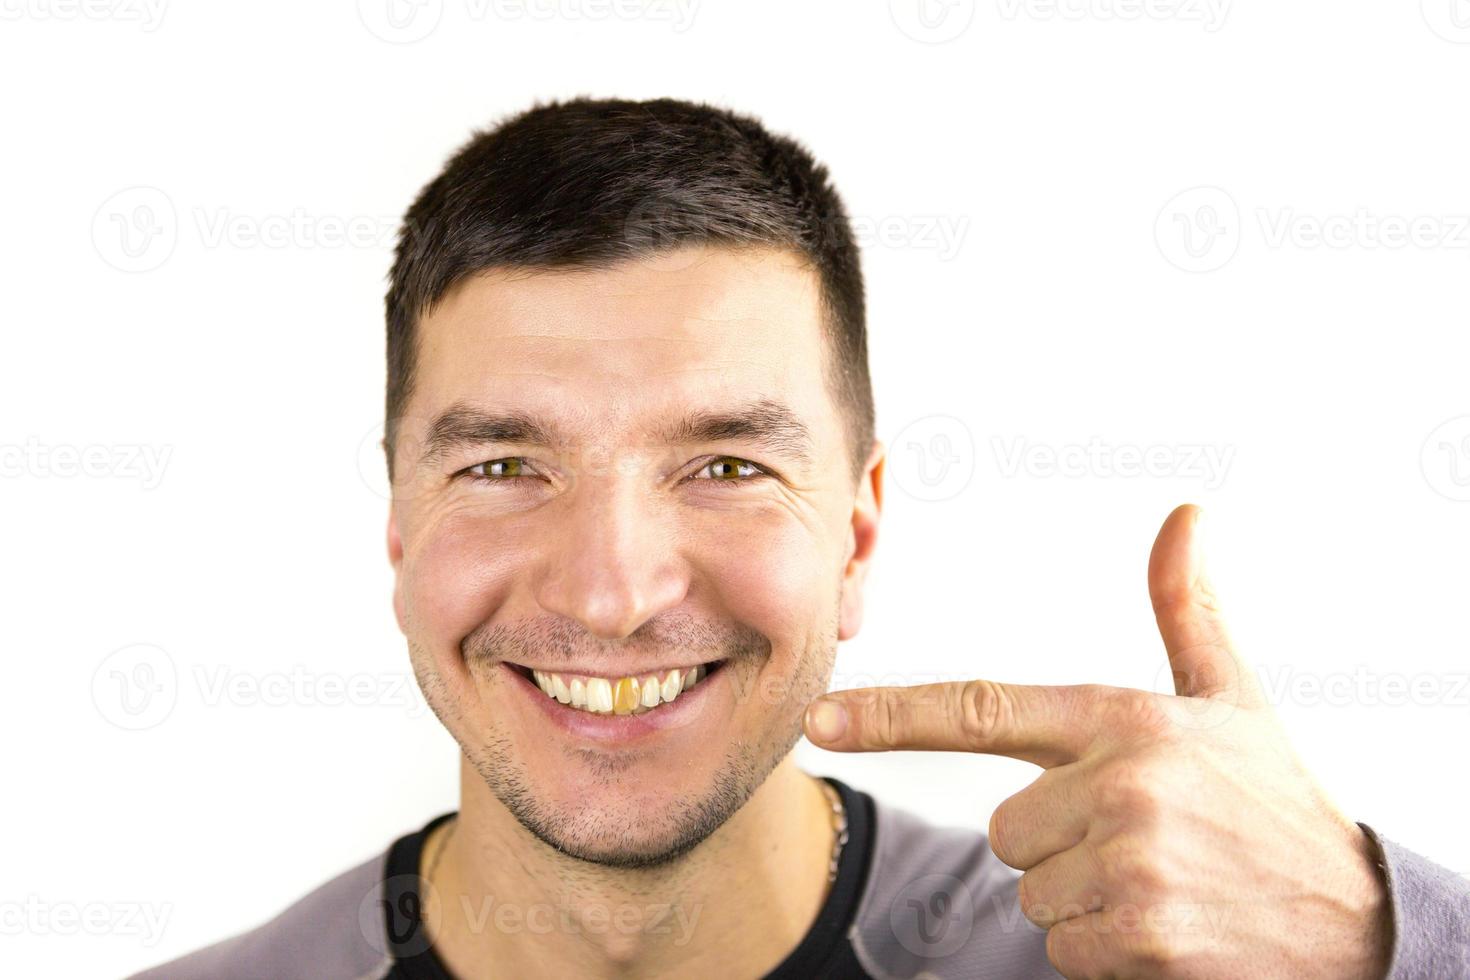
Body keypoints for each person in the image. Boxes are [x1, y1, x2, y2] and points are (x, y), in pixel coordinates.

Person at [131, 97, 1470, 979]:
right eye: (501, 464)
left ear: (856, 531)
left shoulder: (1153, 963)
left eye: (724, 464)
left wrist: (1377, 936)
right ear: (397, 525)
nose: (610, 592)